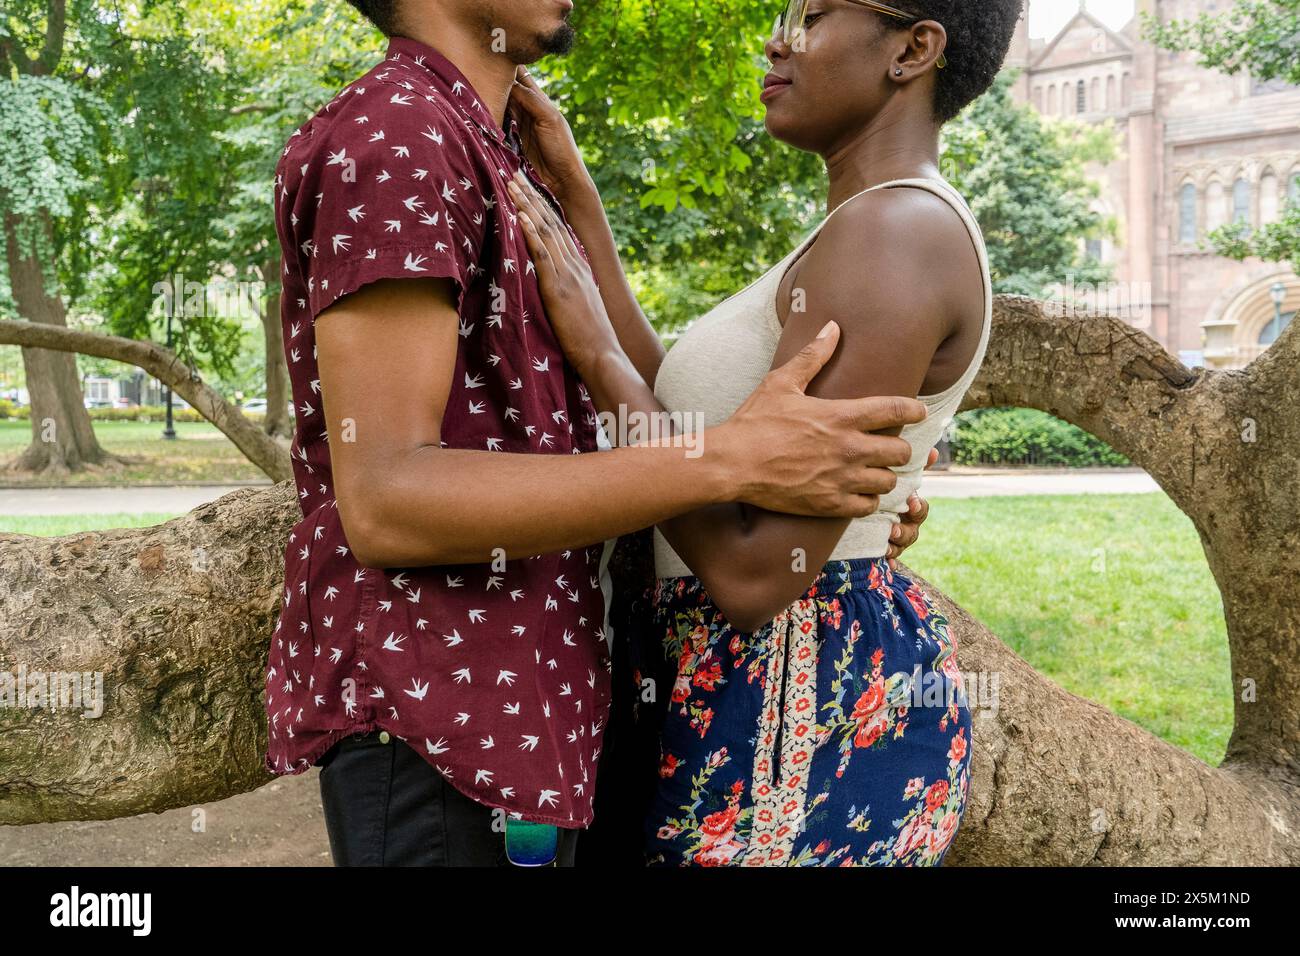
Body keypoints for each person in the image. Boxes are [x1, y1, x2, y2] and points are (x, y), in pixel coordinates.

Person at [263, 0, 936, 867]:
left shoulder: (494, 151)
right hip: (444, 723)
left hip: (538, 720)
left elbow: (559, 426)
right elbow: (388, 499)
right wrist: (730, 459)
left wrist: (832, 492)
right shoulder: (399, 134)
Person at [504, 0, 1024, 865]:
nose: (779, 37)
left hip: (793, 695)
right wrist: (577, 196)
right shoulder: (859, 228)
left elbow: (755, 572)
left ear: (913, 49)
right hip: (745, 676)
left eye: (813, 13)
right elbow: (680, 407)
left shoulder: (895, 234)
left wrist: (595, 354)